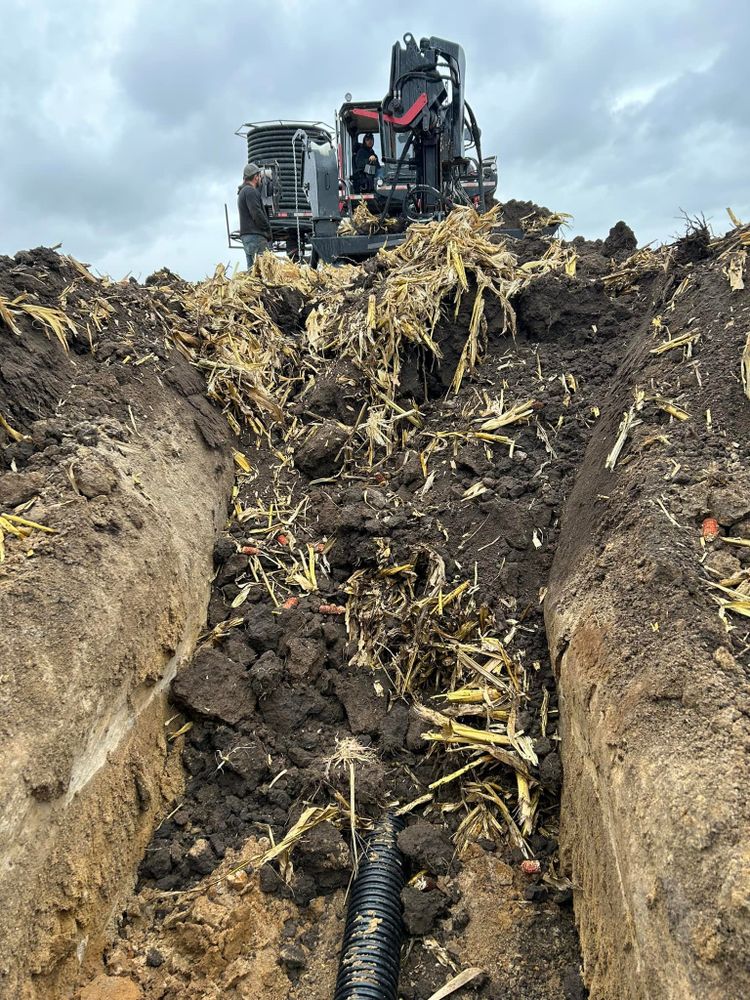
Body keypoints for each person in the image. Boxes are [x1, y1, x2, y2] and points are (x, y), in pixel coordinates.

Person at [237, 162, 272, 267]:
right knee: (264, 271)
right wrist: (267, 228)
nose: (260, 178)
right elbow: (256, 213)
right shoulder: (250, 191)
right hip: (255, 236)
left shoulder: (243, 192)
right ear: (256, 177)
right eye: (259, 176)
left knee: (252, 271)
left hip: (247, 236)